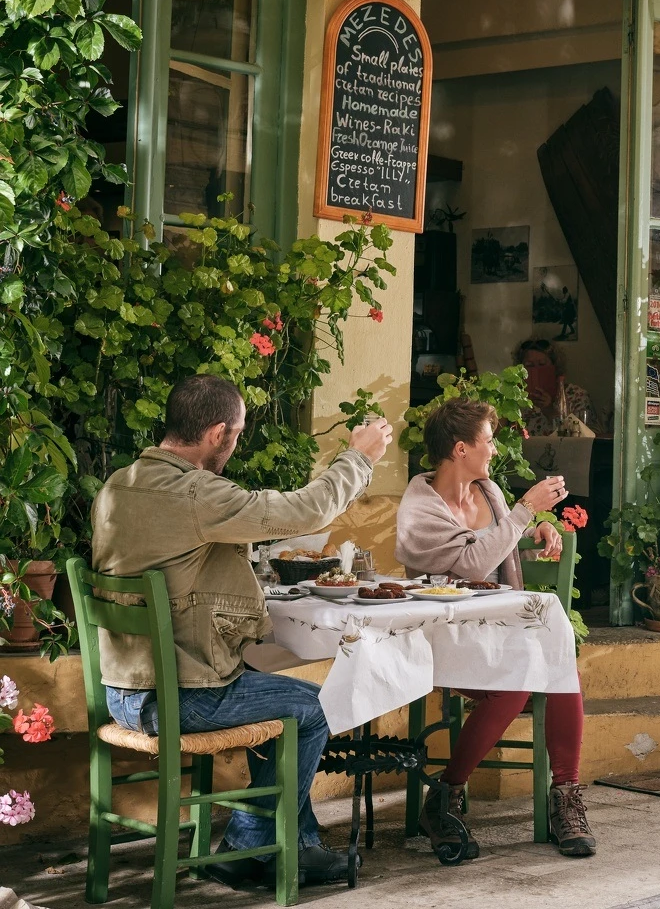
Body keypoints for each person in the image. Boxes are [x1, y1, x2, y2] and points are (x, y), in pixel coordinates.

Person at [90, 375, 393, 889]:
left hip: (122, 691)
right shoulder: (193, 493)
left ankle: (297, 845)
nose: (237, 444)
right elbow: (305, 511)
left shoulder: (119, 484)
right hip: (180, 699)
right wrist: (357, 458)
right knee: (312, 707)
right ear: (216, 432)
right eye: (238, 433)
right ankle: (249, 844)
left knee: (270, 689)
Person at [394, 397, 596, 859]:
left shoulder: (488, 492)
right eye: (489, 440)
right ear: (461, 448)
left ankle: (565, 796)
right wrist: (526, 511)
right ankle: (447, 793)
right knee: (518, 680)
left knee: (558, 664)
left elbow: (496, 543)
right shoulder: (419, 508)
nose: (496, 448)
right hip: (443, 636)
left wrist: (534, 531)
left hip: (498, 632)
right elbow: (469, 567)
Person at [515, 337, 590, 436]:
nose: (536, 370)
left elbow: (583, 437)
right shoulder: (516, 397)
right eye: (529, 366)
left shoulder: (576, 395)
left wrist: (549, 409)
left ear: (555, 366)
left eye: (542, 364)